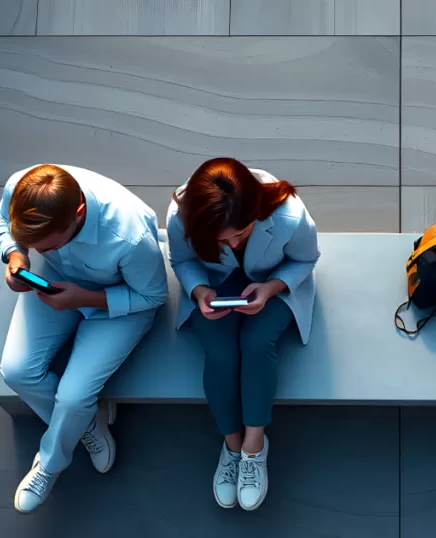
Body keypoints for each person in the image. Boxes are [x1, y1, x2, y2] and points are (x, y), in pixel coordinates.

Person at [0, 164, 168, 513]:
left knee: (73, 397)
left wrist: (84, 299)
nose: (40, 250)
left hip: (120, 302)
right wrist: (16, 255)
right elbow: (4, 223)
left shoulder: (129, 236)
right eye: (36, 245)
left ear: (78, 214)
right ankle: (87, 424)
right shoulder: (20, 185)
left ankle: (51, 462)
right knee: (15, 371)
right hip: (58, 283)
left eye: (48, 245)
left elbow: (153, 296)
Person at [167, 157, 319, 511]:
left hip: (274, 283)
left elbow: (305, 260)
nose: (234, 244)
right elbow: (183, 262)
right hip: (215, 287)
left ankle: (253, 447)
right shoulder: (181, 218)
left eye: (242, 234)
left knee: (256, 343)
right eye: (223, 239)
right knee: (220, 354)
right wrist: (198, 290)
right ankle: (231, 445)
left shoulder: (290, 216)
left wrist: (270, 289)